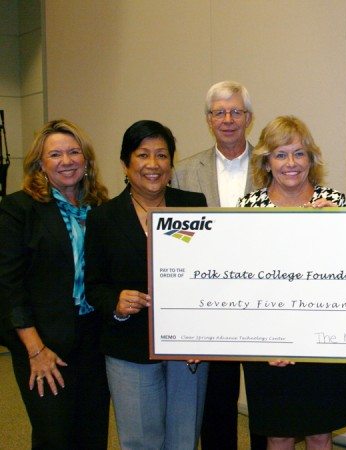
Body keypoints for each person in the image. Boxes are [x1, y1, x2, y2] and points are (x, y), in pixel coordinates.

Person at [85, 120, 210, 449]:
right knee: (141, 440)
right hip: (129, 348)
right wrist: (116, 301)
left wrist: (205, 334)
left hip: (187, 349)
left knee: (184, 438)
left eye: (162, 155)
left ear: (171, 163)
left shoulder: (194, 205)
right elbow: (93, 284)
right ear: (125, 164)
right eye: (143, 155)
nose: (153, 165)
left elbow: (211, 275)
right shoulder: (103, 218)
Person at [239, 115, 346, 450]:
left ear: (311, 159)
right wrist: (268, 340)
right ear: (266, 160)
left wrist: (338, 228)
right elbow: (243, 281)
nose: (290, 163)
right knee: (279, 433)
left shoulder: (335, 204)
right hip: (268, 339)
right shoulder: (247, 208)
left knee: (321, 433)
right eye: (280, 154)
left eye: (299, 153)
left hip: (323, 336)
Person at [0, 119, 110, 449]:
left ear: (87, 160)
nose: (66, 161)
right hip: (43, 342)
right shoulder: (19, 208)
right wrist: (35, 350)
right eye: (56, 154)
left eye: (74, 152)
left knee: (91, 433)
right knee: (54, 436)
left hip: (93, 340)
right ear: (40, 163)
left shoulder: (100, 208)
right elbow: (8, 285)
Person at [171, 80, 265, 450]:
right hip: (211, 306)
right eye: (219, 112)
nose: (228, 119)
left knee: (264, 405)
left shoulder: (271, 165)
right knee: (216, 407)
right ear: (208, 120)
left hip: (261, 303)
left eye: (235, 112)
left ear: (249, 118)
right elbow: (175, 243)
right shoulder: (183, 171)